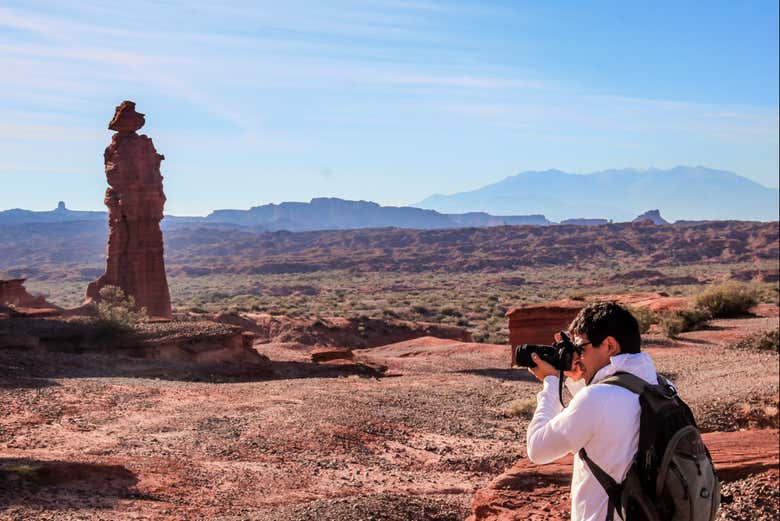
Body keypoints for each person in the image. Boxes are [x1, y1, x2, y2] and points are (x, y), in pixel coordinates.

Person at [525, 301, 658, 521]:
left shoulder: (597, 399)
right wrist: (578, 379)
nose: (577, 357)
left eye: (580, 348)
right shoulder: (659, 385)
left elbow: (537, 449)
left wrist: (551, 382)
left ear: (609, 345)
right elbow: (605, 417)